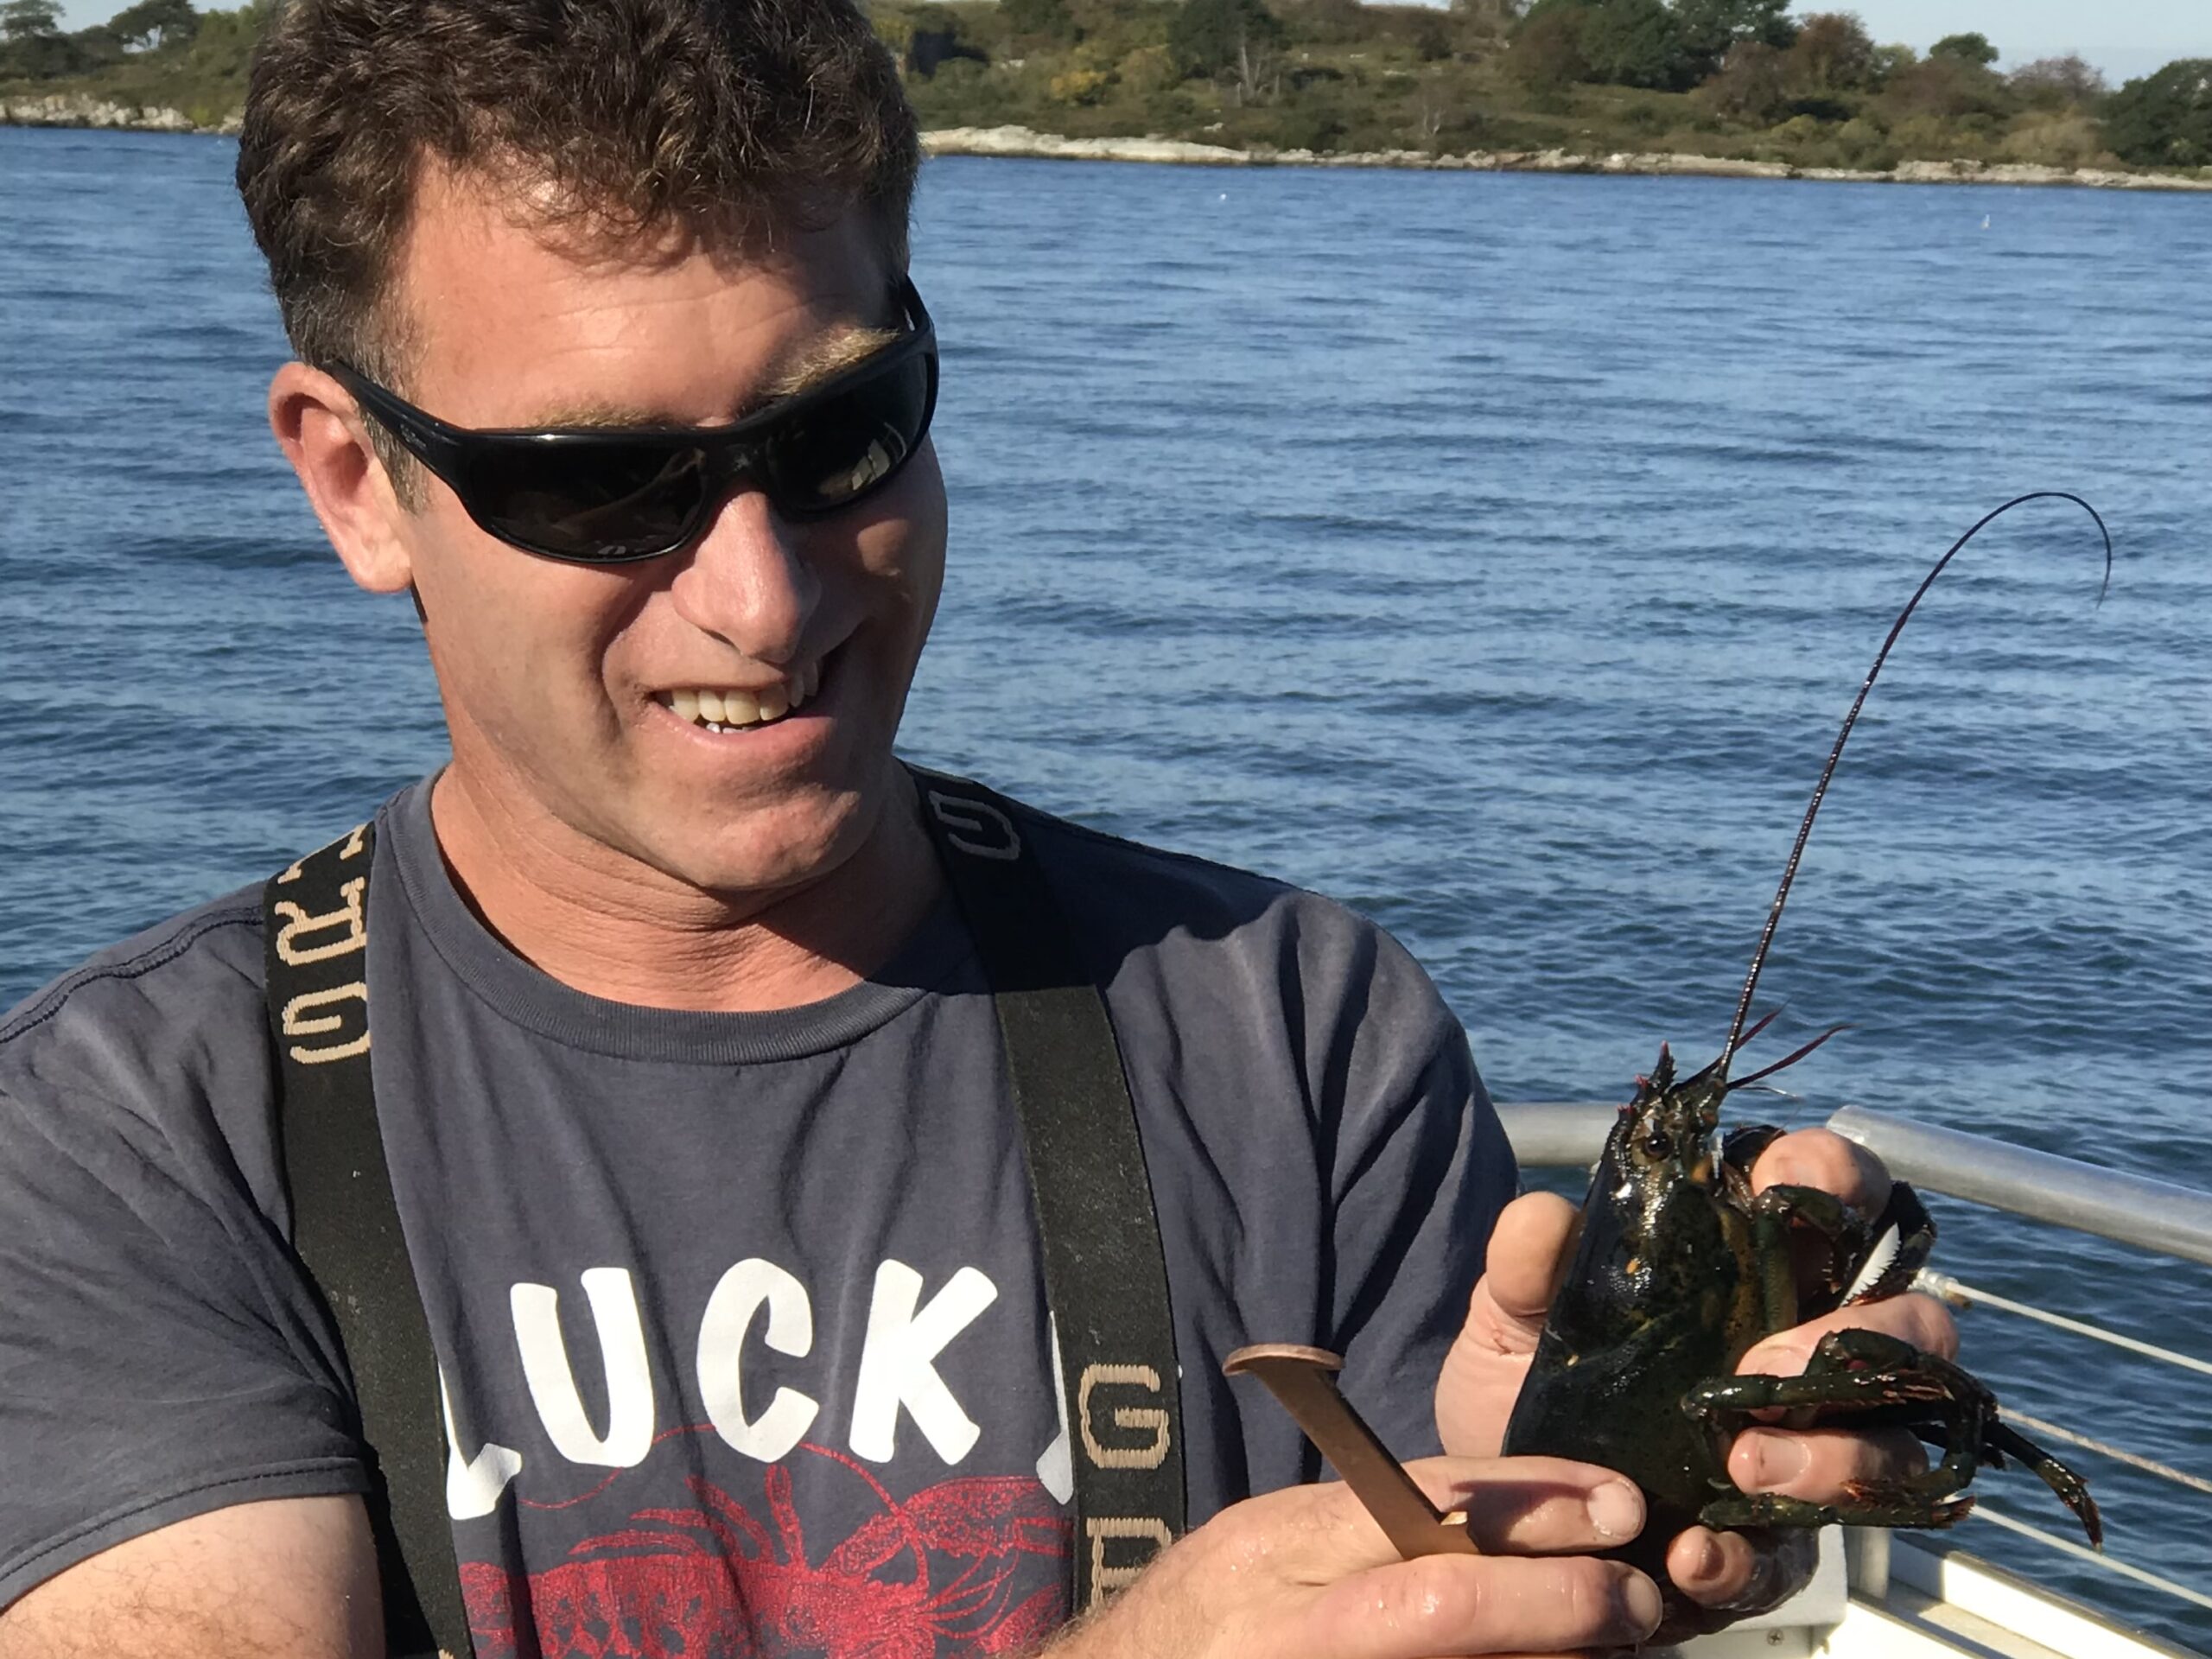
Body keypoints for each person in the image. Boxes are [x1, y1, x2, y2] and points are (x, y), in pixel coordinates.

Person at [0, 0, 1956, 1654]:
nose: (763, 601)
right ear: (355, 485)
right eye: (601, 487)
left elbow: (1463, 1541)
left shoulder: (1296, 1033)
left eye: (838, 434)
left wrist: (1566, 1513)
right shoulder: (128, 1132)